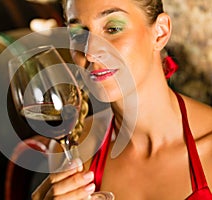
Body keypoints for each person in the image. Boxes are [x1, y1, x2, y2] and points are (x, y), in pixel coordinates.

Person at [32, 0, 212, 199]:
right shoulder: (74, 149)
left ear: (160, 32)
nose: (90, 53)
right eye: (79, 34)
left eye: (113, 28)